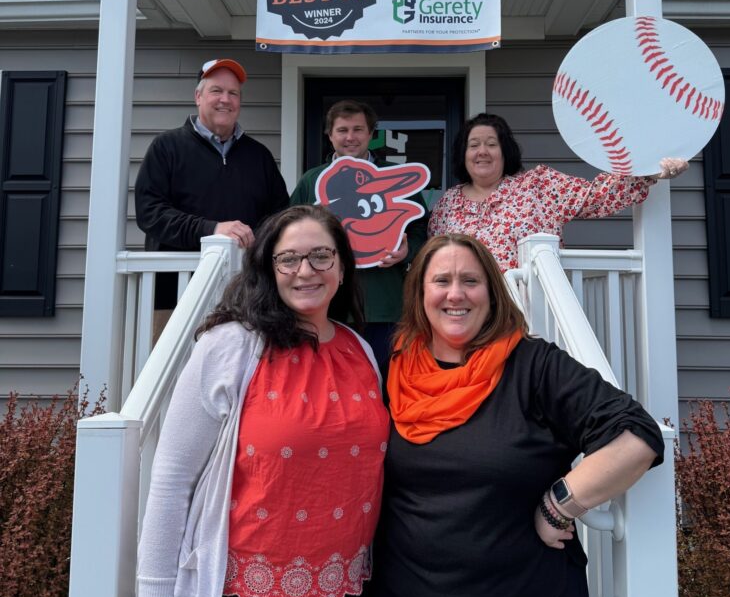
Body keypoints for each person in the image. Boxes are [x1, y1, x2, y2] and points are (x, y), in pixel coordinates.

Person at [370, 233, 664, 597]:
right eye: (441, 280)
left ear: (493, 291)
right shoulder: (389, 363)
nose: (455, 294)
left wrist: (560, 504)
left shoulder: (534, 365)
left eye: (471, 280)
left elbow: (636, 436)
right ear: (419, 293)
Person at [130, 205, 389, 597]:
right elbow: (172, 480)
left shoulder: (360, 350)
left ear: (342, 268)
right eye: (289, 258)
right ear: (269, 269)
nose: (306, 270)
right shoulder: (230, 347)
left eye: (321, 256)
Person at [428, 112, 688, 270]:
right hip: (463, 318)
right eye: (474, 145)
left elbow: (596, 196)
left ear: (505, 151)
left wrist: (650, 170)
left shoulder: (537, 186)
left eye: (491, 144)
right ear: (463, 154)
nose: (482, 151)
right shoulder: (447, 205)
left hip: (526, 318)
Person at [134, 57, 289, 319]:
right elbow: (150, 213)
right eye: (216, 91)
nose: (225, 100)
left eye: (233, 93)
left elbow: (280, 217)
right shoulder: (166, 147)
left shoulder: (259, 156)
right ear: (198, 96)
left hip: (246, 298)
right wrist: (212, 230)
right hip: (175, 299)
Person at [290, 99, 426, 372]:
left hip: (384, 302)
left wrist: (406, 252)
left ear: (371, 134)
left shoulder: (393, 174)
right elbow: (289, 234)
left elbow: (422, 231)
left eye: (358, 129)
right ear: (330, 136)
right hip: (329, 304)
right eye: (342, 130)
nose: (350, 137)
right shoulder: (311, 181)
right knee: (333, 382)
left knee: (387, 381)